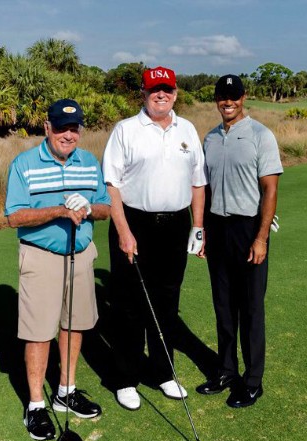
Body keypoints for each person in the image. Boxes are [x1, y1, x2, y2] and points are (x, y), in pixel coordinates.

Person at [4, 99, 111, 440]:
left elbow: (106, 207)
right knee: (39, 332)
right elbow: (15, 216)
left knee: (74, 324)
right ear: (47, 127)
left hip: (80, 254)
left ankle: (66, 390)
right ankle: (36, 405)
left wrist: (89, 208)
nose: (68, 134)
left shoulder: (89, 162)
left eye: (74, 127)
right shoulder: (25, 164)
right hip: (41, 257)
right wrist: (60, 210)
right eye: (61, 127)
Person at [102, 66, 207, 410]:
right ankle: (126, 378)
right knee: (130, 304)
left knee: (166, 302)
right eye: (154, 90)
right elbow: (111, 184)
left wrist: (198, 226)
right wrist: (123, 231)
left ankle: (164, 373)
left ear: (175, 92)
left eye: (167, 90)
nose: (161, 95)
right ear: (143, 95)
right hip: (135, 222)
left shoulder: (187, 129)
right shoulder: (126, 130)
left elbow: (197, 182)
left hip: (176, 224)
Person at [196, 75, 283, 408]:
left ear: (244, 97)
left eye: (233, 96)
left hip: (249, 229)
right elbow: (202, 189)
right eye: (222, 96)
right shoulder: (211, 138)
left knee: (250, 309)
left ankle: (252, 380)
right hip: (218, 229)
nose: (227, 101)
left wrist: (261, 238)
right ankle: (226, 372)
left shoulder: (261, 135)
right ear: (216, 100)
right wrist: (200, 230)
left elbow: (270, 189)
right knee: (223, 307)